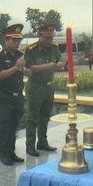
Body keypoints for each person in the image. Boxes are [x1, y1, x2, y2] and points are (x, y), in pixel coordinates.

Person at [24, 26, 63, 156]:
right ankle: (30, 145)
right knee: (32, 117)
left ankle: (42, 141)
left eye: (51, 37)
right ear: (40, 36)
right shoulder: (31, 50)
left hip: (49, 86)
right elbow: (30, 68)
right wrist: (48, 66)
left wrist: (59, 64)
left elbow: (59, 59)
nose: (49, 40)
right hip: (36, 86)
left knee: (45, 116)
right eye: (46, 37)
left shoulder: (54, 48)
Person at [0, 24, 28, 165]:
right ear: (6, 40)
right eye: (13, 40)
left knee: (14, 125)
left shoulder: (21, 56)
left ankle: (11, 152)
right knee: (4, 125)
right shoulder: (0, 56)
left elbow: (27, 71)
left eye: (18, 40)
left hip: (17, 95)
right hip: (4, 96)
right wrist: (16, 67)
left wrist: (26, 69)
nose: (16, 43)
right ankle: (3, 154)